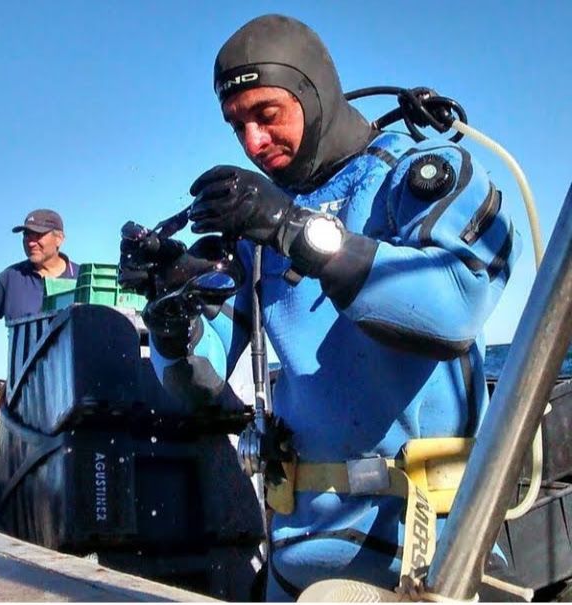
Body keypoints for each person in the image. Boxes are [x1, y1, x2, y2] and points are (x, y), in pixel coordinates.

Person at [120, 14, 520, 601]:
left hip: (429, 551)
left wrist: (291, 229)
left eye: (266, 114)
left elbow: (453, 307)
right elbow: (201, 391)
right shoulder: (256, 229)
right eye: (237, 126)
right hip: (294, 554)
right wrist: (171, 321)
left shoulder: (417, 175)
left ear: (312, 93)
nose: (253, 142)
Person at [0, 209, 78, 396]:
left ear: (59, 239)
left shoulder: (83, 280)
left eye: (38, 235)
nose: (31, 242)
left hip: (71, 392)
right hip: (23, 394)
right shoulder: (9, 278)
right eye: (26, 235)